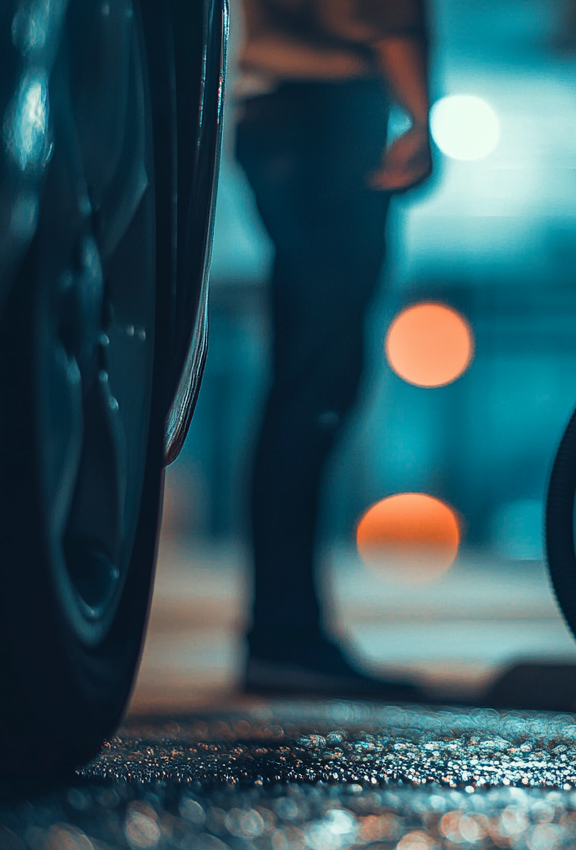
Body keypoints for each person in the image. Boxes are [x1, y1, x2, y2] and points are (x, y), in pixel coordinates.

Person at [235, 0, 432, 697]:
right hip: (330, 104)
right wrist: (417, 112)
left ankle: (283, 629)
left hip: (266, 101)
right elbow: (376, 11)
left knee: (302, 377)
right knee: (318, 381)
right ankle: (285, 634)